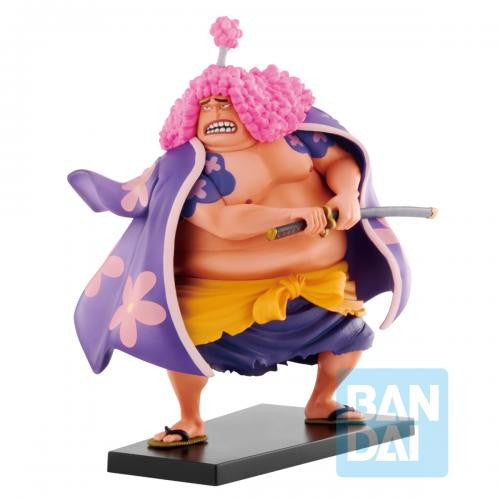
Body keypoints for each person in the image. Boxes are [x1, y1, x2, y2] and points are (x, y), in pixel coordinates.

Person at [68, 17, 410, 448]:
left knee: (350, 334)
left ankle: (323, 401)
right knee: (185, 343)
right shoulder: (193, 169)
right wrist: (294, 215)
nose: (214, 112)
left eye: (225, 103)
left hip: (319, 281)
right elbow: (223, 223)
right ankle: (190, 419)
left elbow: (341, 160)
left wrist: (346, 193)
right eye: (205, 106)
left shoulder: (300, 139)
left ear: (254, 105)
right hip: (222, 291)